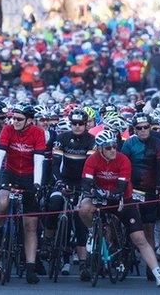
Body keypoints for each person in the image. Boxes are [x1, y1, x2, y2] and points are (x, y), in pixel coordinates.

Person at [77, 132, 160, 288]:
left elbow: (121, 188)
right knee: (84, 207)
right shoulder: (92, 159)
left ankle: (158, 274)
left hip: (122, 200)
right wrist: (95, 192)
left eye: (114, 146)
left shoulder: (123, 159)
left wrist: (103, 192)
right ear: (100, 149)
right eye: (108, 147)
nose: (113, 150)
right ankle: (92, 231)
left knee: (139, 238)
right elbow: (86, 184)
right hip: (100, 200)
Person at [0, 104, 45, 284]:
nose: (15, 122)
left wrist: (37, 183)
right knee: (3, 200)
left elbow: (39, 161)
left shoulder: (37, 133)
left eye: (20, 119)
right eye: (13, 118)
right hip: (10, 172)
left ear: (30, 120)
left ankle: (30, 266)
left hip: (29, 176)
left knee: (30, 225)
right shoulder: (7, 129)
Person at [47, 110, 95, 279]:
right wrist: (59, 183)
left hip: (82, 183)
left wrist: (85, 188)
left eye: (80, 124)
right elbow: (55, 165)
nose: (77, 126)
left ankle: (83, 262)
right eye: (74, 123)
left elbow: (89, 167)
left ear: (86, 124)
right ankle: (49, 240)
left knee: (79, 218)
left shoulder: (91, 140)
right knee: (53, 204)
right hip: (63, 179)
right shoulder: (62, 138)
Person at [120, 112, 160, 259]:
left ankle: (151, 264)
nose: (143, 130)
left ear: (150, 127)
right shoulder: (129, 144)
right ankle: (125, 249)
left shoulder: (158, 143)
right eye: (139, 128)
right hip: (131, 187)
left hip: (150, 189)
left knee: (148, 227)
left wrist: (159, 187)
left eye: (146, 127)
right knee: (127, 223)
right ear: (134, 129)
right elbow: (123, 166)